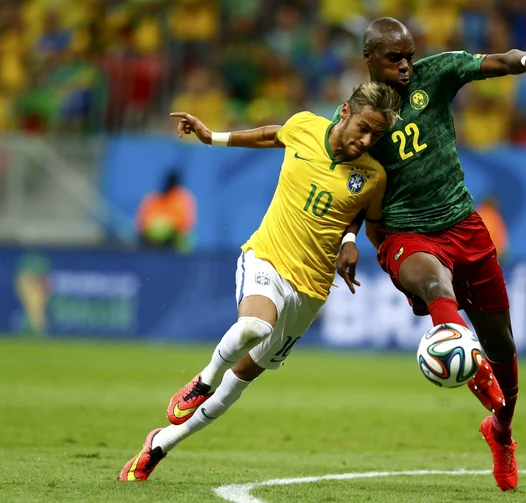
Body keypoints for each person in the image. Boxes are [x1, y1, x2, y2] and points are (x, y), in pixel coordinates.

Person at [176, 17, 526, 492]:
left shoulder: (434, 75)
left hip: (462, 223)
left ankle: (500, 432)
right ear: (370, 59)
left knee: (503, 344)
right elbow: (354, 187)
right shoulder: (359, 115)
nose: (405, 66)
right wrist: (351, 238)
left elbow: (492, 62)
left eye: (409, 56)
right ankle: (462, 351)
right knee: (434, 281)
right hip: (402, 232)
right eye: (394, 58)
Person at [119, 81, 402, 482]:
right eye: (364, 127)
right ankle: (202, 380)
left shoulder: (373, 175)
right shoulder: (305, 126)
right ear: (345, 112)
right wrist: (210, 136)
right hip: (267, 256)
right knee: (255, 324)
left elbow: (360, 212)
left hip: (312, 289)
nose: (367, 139)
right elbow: (272, 134)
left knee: (241, 381)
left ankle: (160, 444)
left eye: (376, 135)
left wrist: (351, 241)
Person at [136, 169, 197, 252]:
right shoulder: (152, 198)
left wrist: (168, 226)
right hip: (151, 242)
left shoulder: (183, 198)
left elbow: (185, 223)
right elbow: (143, 224)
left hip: (174, 240)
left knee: (187, 241)